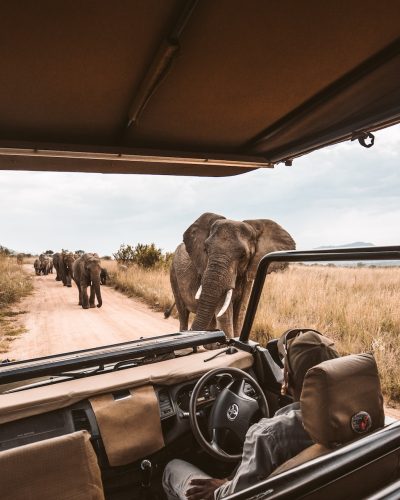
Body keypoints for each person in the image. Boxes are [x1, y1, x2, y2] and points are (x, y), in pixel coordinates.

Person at [163, 330, 339, 500]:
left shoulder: (269, 435)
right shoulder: (356, 417)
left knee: (171, 468)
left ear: (287, 378)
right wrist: (227, 481)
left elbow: (236, 495)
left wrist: (219, 490)